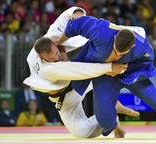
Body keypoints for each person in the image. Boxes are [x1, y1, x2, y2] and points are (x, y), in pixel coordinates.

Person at [57, 15, 156, 139]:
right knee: (104, 121)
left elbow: (146, 64)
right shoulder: (101, 31)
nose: (116, 55)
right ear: (114, 38)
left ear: (132, 48)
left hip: (131, 70)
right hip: (102, 71)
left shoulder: (142, 47)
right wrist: (59, 42)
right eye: (114, 50)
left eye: (121, 54)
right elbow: (75, 25)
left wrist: (121, 69)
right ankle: (115, 118)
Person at [24, 6, 138, 138]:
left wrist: (76, 15)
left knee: (100, 70)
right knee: (82, 133)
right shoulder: (47, 69)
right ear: (41, 58)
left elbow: (62, 19)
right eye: (52, 59)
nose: (57, 58)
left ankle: (109, 105)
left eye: (56, 53)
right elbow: (79, 69)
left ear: (53, 44)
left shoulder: (51, 38)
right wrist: (110, 67)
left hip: (77, 80)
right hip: (65, 98)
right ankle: (111, 111)